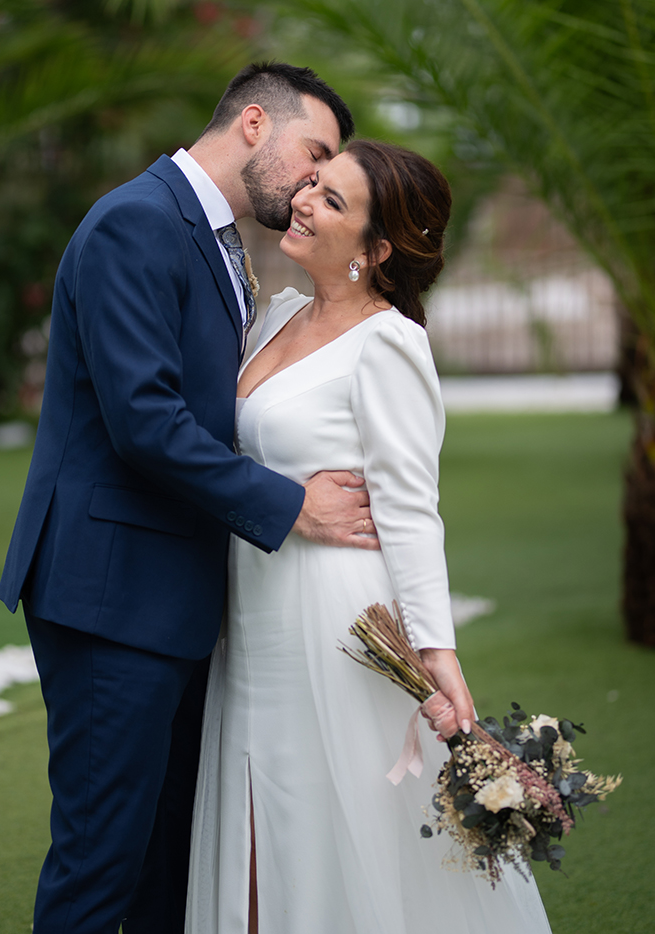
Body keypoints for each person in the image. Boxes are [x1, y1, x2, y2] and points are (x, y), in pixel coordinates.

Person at [0, 63, 379, 934]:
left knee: (171, 863)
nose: (315, 180)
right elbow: (146, 422)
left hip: (171, 595)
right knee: (103, 863)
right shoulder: (136, 223)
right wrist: (291, 505)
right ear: (254, 123)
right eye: (312, 154)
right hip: (111, 595)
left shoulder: (220, 242)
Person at [185, 141, 553, 933]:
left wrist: (436, 651)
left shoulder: (390, 344)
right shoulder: (275, 316)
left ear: (376, 251)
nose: (307, 200)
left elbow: (412, 508)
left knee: (341, 829)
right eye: (314, 183)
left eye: (334, 201)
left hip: (336, 624)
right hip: (251, 618)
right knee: (252, 819)